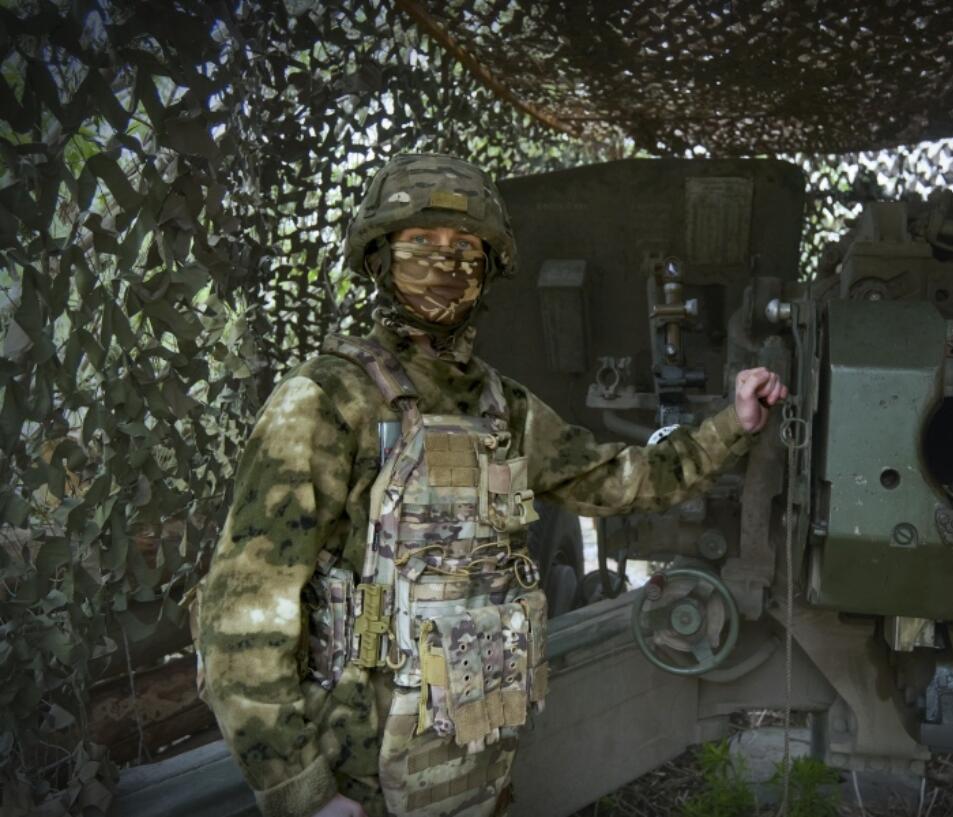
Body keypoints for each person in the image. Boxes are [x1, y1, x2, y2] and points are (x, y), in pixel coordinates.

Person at [195, 154, 787, 817]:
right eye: (421, 244)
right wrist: (302, 792)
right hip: (364, 791)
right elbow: (242, 615)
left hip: (477, 777)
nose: (445, 265)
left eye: (465, 249)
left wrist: (730, 423)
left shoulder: (503, 408)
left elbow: (619, 479)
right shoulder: (326, 402)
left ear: (488, 269)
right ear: (379, 258)